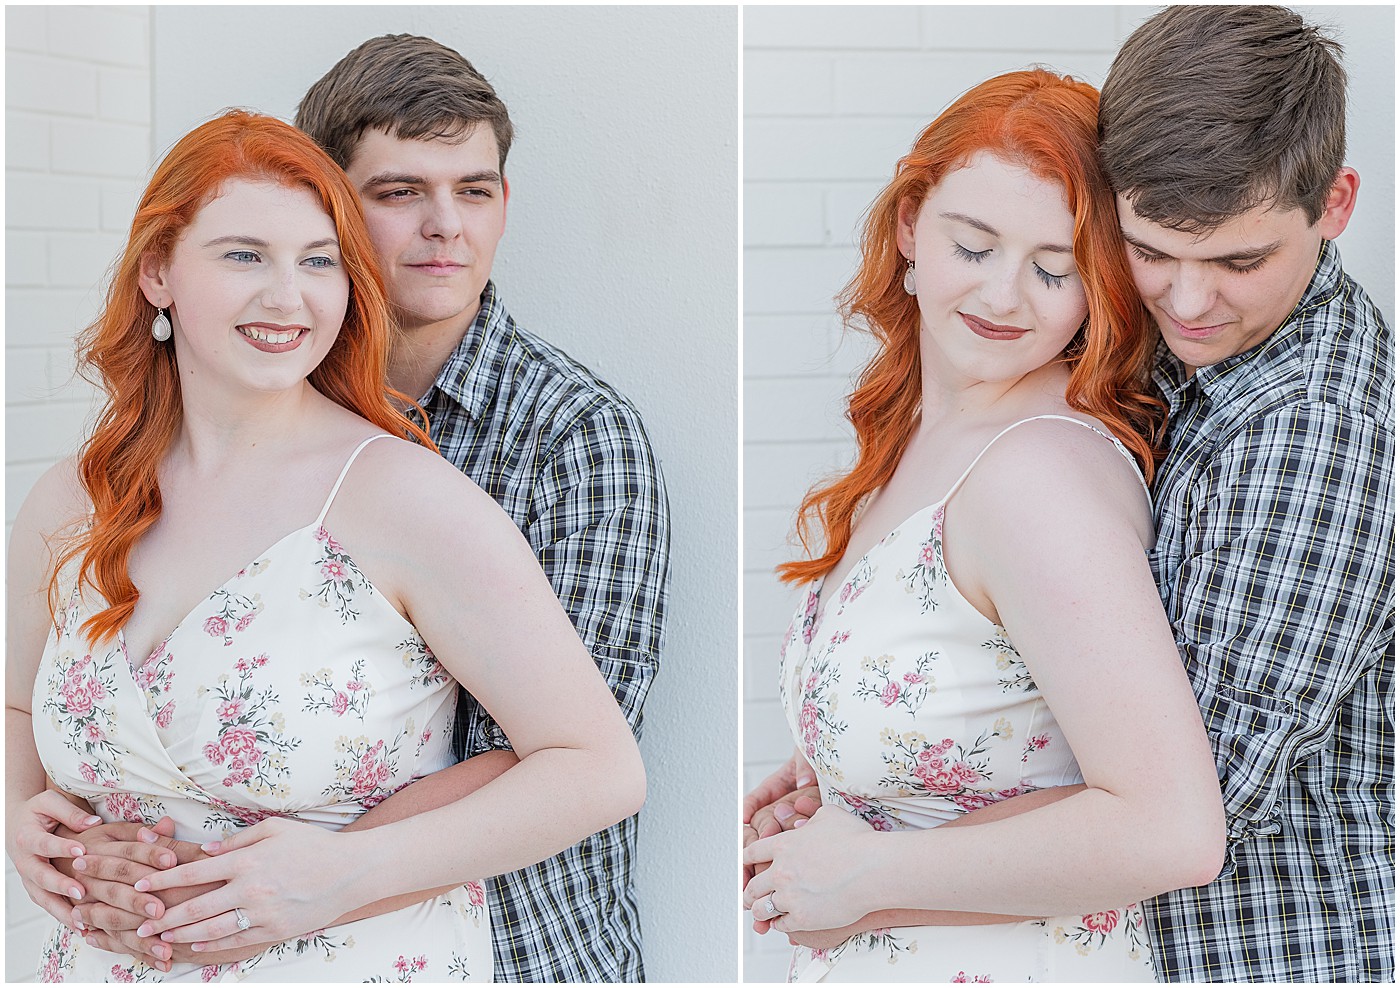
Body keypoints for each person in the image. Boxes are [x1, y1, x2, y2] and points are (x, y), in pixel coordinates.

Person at [14, 34, 672, 983]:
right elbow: (23, 704)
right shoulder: (73, 496)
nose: (445, 226)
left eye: (314, 262)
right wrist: (42, 836)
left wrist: (295, 883)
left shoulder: (477, 469)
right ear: (160, 272)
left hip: (464, 943)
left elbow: (574, 759)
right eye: (401, 192)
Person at [740, 68, 1225, 982]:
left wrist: (870, 874)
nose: (1006, 298)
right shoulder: (930, 436)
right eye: (975, 246)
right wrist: (833, 785)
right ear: (910, 227)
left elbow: (1173, 831)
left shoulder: (1037, 475)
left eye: (1055, 269)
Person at [1097, 6, 1394, 982]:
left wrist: (892, 835)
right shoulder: (1185, 353)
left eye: (1236, 260)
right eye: (1150, 250)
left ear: (1335, 203)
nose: (1185, 303)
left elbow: (1189, 799)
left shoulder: (1315, 424)